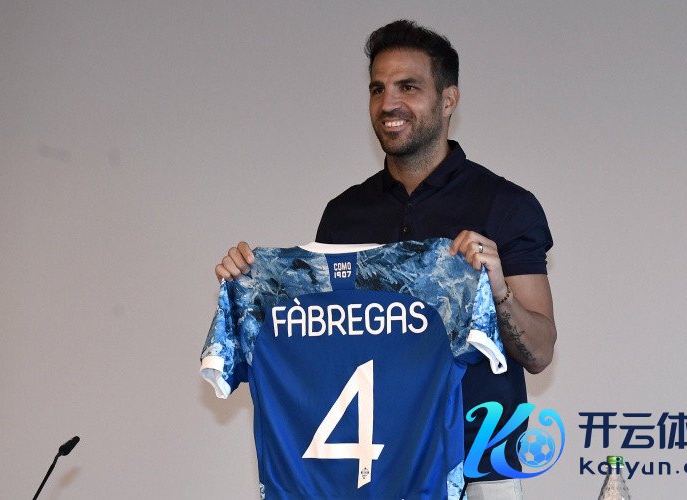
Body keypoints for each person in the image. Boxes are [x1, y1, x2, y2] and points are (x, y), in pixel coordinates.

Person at [215, 20, 556, 500]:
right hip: (371, 475)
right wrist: (252, 284)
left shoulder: (506, 205)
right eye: (378, 89)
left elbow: (539, 353)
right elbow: (325, 345)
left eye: (408, 87)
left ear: (448, 100)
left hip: (480, 470)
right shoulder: (343, 214)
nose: (388, 103)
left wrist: (498, 290)